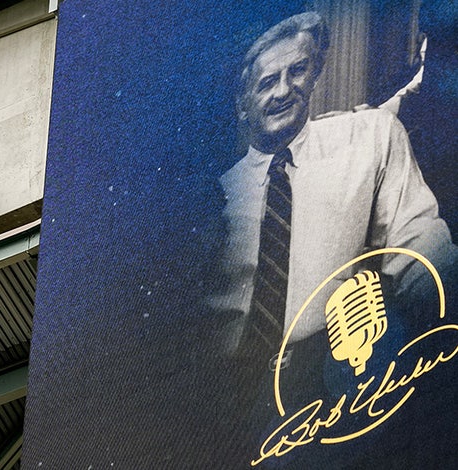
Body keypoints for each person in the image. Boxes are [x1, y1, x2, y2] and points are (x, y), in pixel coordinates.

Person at [210, 11, 458, 466]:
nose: (284, 91)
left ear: (318, 68)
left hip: (326, 393)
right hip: (214, 414)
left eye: (298, 71)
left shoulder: (368, 139)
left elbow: (428, 258)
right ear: (241, 98)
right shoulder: (210, 198)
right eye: (267, 81)